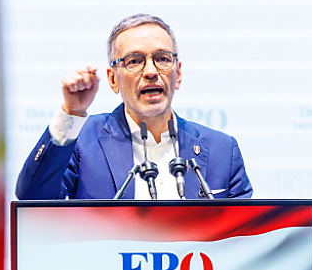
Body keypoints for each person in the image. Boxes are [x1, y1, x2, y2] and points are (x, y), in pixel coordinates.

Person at [14, 13, 252, 200]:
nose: (150, 72)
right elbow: (33, 197)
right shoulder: (82, 140)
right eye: (134, 61)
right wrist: (72, 113)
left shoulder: (222, 150)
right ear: (113, 79)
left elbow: (245, 237)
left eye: (162, 59)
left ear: (178, 74)